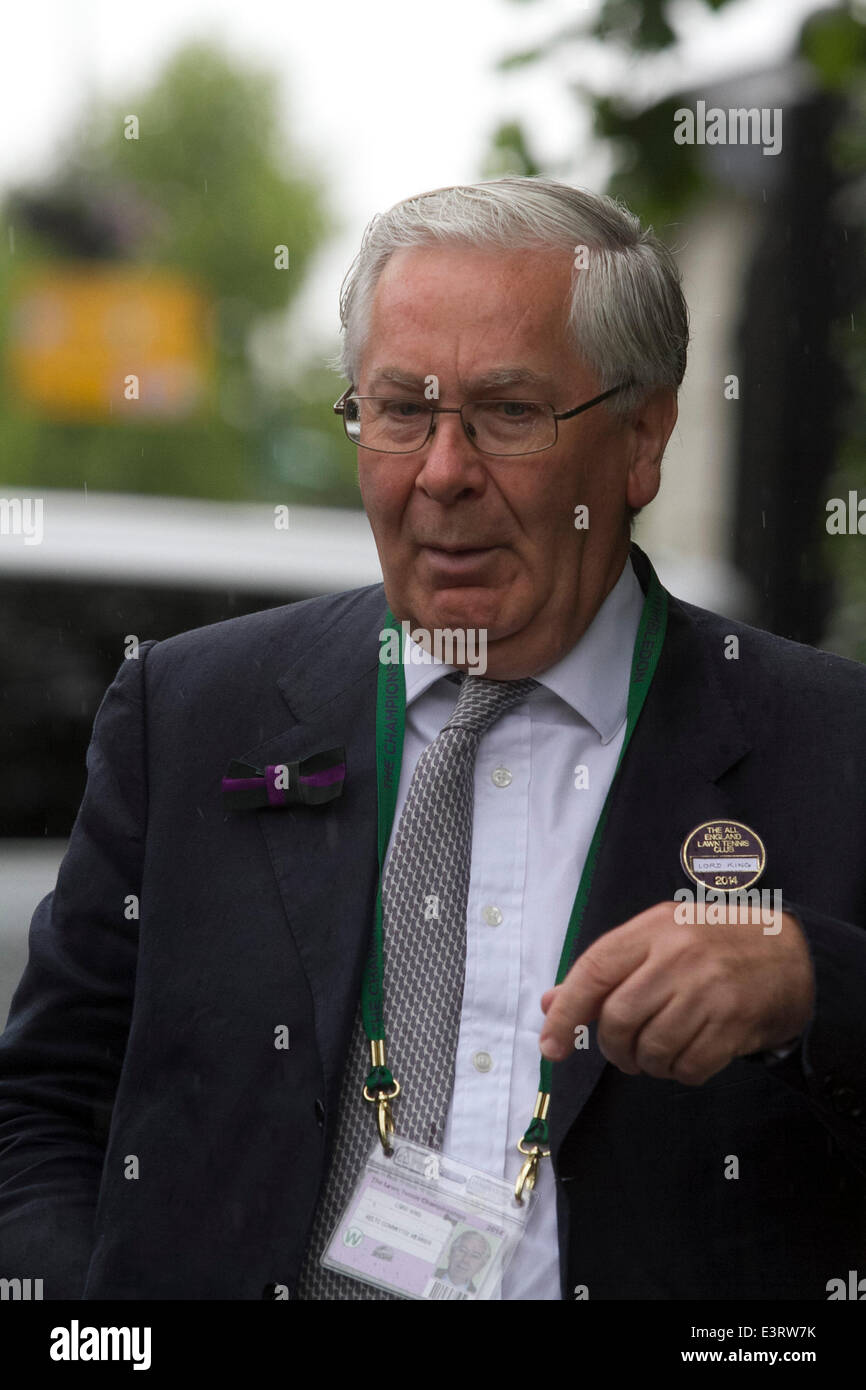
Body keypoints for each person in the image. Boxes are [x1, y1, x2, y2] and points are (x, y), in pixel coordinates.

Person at [0, 177, 864, 1302]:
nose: (441, 473)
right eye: (399, 410)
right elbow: (43, 1107)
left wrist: (817, 983)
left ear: (641, 438)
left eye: (507, 412)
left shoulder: (828, 744)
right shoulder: (191, 709)